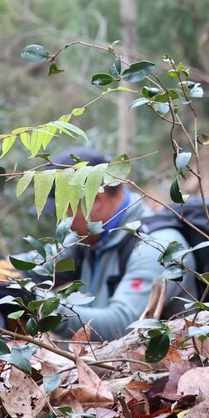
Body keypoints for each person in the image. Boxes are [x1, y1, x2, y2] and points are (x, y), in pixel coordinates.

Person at [43, 146, 194, 340]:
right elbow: (36, 266)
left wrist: (41, 307)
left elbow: (124, 324)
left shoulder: (157, 248)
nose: (62, 222)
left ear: (94, 200)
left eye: (62, 211)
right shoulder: (89, 238)